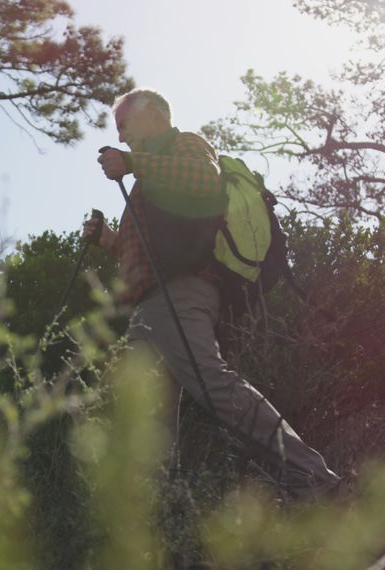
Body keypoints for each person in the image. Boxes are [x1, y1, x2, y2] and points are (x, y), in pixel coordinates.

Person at [85, 87, 340, 497]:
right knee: (146, 415)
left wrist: (133, 163)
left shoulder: (184, 144)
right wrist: (109, 239)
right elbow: (149, 250)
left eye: (124, 125)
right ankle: (161, 516)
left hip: (181, 294)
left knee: (214, 387)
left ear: (152, 114)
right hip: (149, 308)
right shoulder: (150, 174)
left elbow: (204, 180)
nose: (121, 136)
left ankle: (313, 477)